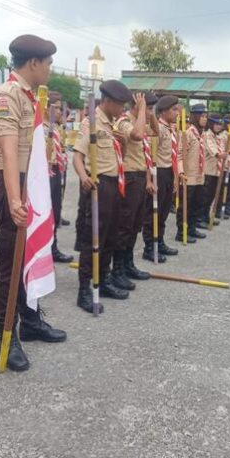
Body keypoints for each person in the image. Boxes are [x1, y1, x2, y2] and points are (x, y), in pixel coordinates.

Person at [0, 35, 67, 372]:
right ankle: (9, 335)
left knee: (33, 255)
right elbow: (7, 151)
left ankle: (32, 320)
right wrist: (16, 199)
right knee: (12, 265)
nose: (50, 69)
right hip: (16, 186)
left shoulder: (30, 96)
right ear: (33, 63)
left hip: (31, 184)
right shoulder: (7, 97)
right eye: (48, 63)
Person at [73, 80, 135, 312]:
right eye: (120, 105)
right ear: (108, 102)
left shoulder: (111, 125)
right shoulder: (91, 122)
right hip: (98, 185)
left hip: (115, 185)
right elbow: (77, 156)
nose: (123, 110)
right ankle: (84, 289)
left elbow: (121, 157)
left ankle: (104, 278)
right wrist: (83, 177)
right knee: (93, 239)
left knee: (110, 236)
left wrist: (123, 144)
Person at [111, 91, 157, 290]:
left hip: (139, 177)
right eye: (149, 108)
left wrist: (149, 111)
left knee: (135, 225)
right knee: (124, 226)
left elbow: (156, 131)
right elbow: (137, 135)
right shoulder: (124, 122)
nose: (150, 112)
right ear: (137, 107)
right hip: (129, 178)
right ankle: (117, 270)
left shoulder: (140, 120)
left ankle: (128, 264)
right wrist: (141, 110)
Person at [142, 95, 181, 262]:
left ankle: (160, 241)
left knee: (164, 211)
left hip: (168, 172)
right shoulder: (157, 128)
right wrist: (149, 179)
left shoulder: (171, 129)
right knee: (154, 212)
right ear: (164, 112)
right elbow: (150, 155)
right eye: (174, 110)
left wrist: (175, 178)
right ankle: (150, 246)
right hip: (157, 171)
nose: (177, 113)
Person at [46, 91, 73, 264]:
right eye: (55, 108)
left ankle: (53, 247)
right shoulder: (39, 128)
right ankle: (45, 249)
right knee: (46, 212)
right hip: (45, 173)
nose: (59, 112)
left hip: (55, 170)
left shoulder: (54, 127)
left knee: (55, 211)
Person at [176, 103, 207, 242]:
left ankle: (192, 228)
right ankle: (181, 232)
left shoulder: (202, 134)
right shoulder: (188, 133)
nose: (205, 119)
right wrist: (181, 172)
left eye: (206, 116)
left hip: (199, 176)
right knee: (185, 205)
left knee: (196, 203)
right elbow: (180, 154)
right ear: (195, 116)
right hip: (188, 176)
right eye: (202, 116)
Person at [201, 114, 224, 227]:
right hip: (207, 171)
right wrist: (220, 154)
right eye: (216, 124)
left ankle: (206, 216)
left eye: (220, 124)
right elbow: (213, 150)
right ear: (211, 124)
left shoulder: (217, 137)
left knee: (211, 196)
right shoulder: (207, 136)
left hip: (216, 171)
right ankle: (201, 218)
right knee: (205, 196)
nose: (218, 126)